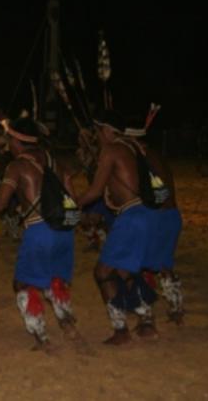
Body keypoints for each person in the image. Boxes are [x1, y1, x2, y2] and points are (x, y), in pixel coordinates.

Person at [0, 118, 80, 351]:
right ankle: (68, 324)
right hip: (65, 230)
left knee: (23, 284)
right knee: (56, 278)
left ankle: (41, 336)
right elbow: (73, 198)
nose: (7, 144)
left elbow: (0, 206)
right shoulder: (55, 161)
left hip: (40, 231)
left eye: (9, 138)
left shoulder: (16, 166)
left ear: (18, 140)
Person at [76, 110, 158, 345]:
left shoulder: (111, 150)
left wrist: (72, 206)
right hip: (144, 214)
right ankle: (147, 323)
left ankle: (121, 330)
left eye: (98, 131)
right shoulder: (133, 147)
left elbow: (94, 191)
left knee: (103, 273)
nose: (97, 137)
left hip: (130, 216)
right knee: (125, 271)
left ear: (108, 131)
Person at [123, 118, 184, 324]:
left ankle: (145, 314)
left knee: (137, 265)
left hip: (156, 218)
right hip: (172, 216)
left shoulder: (140, 158)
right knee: (164, 265)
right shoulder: (157, 155)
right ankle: (176, 307)